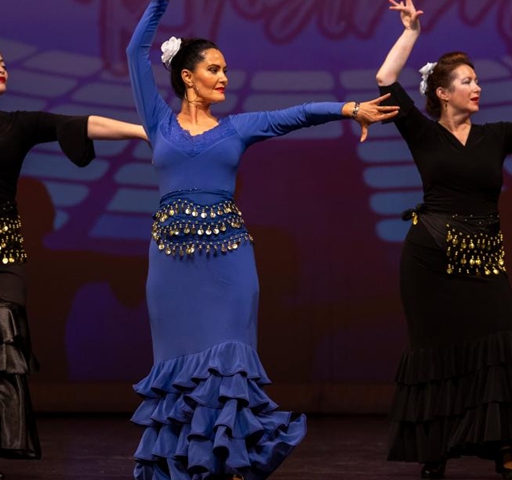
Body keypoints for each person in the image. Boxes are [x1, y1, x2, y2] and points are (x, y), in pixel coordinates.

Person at [126, 1, 399, 478]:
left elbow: (294, 115)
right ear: (187, 77)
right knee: (179, 368)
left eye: (226, 69)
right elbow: (135, 49)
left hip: (229, 261)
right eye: (214, 68)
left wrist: (348, 108)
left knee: (229, 364)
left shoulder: (237, 127)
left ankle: (233, 462)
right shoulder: (158, 121)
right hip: (171, 268)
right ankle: (190, 465)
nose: (224, 77)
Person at [0, 1, 147, 478]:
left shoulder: (20, 124)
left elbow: (81, 125)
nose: (2, 68)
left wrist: (145, 132)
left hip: (1, 254)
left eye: (4, 63)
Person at [375, 1, 512, 479]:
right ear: (442, 92)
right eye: (467, 81)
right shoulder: (421, 133)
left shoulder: (495, 135)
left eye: (478, 80)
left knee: (499, 345)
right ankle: (434, 450)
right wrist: (412, 31)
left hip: (484, 256)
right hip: (429, 261)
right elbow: (385, 79)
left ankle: (504, 450)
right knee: (435, 351)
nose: (478, 87)